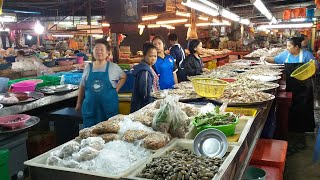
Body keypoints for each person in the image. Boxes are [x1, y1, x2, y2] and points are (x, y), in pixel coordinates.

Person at [263, 37, 316, 154]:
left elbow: (315, 66)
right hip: (292, 86)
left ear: (296, 47)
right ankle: (292, 129)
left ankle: (303, 131)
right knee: (292, 108)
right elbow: (275, 60)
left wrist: (312, 66)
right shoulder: (285, 55)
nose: (287, 48)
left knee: (304, 109)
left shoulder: (307, 55)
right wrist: (264, 57)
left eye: (289, 46)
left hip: (305, 88)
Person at [76, 39, 127, 128]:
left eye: (102, 49)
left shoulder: (113, 67)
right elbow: (82, 86)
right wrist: (78, 104)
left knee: (109, 133)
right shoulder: (88, 67)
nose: (99, 52)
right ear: (93, 51)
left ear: (107, 52)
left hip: (108, 109)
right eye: (96, 49)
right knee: (90, 135)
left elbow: (124, 77)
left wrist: (117, 89)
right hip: (90, 109)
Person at [130, 43, 159, 113]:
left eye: (155, 56)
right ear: (144, 56)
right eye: (150, 56)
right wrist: (150, 108)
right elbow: (145, 94)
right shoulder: (144, 71)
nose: (153, 58)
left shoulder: (150, 67)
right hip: (144, 107)